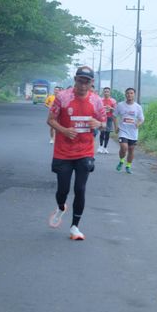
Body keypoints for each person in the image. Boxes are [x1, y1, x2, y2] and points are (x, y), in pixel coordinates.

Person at [47, 67, 106, 240]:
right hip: (63, 151)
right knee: (63, 190)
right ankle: (61, 207)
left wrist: (98, 124)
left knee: (80, 189)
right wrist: (64, 130)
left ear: (92, 82)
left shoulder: (96, 101)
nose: (83, 85)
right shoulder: (62, 97)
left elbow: (104, 124)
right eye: (80, 81)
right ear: (75, 79)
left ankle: (75, 227)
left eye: (87, 82)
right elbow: (50, 120)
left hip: (85, 151)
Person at [115, 87, 144, 174]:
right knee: (124, 147)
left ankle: (128, 166)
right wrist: (116, 127)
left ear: (134, 95)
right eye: (128, 93)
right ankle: (121, 160)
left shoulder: (138, 107)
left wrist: (138, 123)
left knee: (131, 149)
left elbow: (141, 119)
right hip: (123, 130)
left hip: (133, 132)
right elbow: (114, 116)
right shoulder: (120, 105)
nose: (129, 95)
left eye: (131, 93)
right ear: (125, 94)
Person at [98, 86, 117, 153]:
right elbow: (97, 109)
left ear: (110, 93)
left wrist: (111, 108)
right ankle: (100, 146)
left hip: (109, 118)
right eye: (105, 91)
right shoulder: (100, 100)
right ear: (103, 92)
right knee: (102, 132)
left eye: (107, 92)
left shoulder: (113, 101)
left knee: (107, 133)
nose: (106, 93)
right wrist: (102, 108)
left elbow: (115, 110)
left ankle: (105, 147)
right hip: (102, 118)